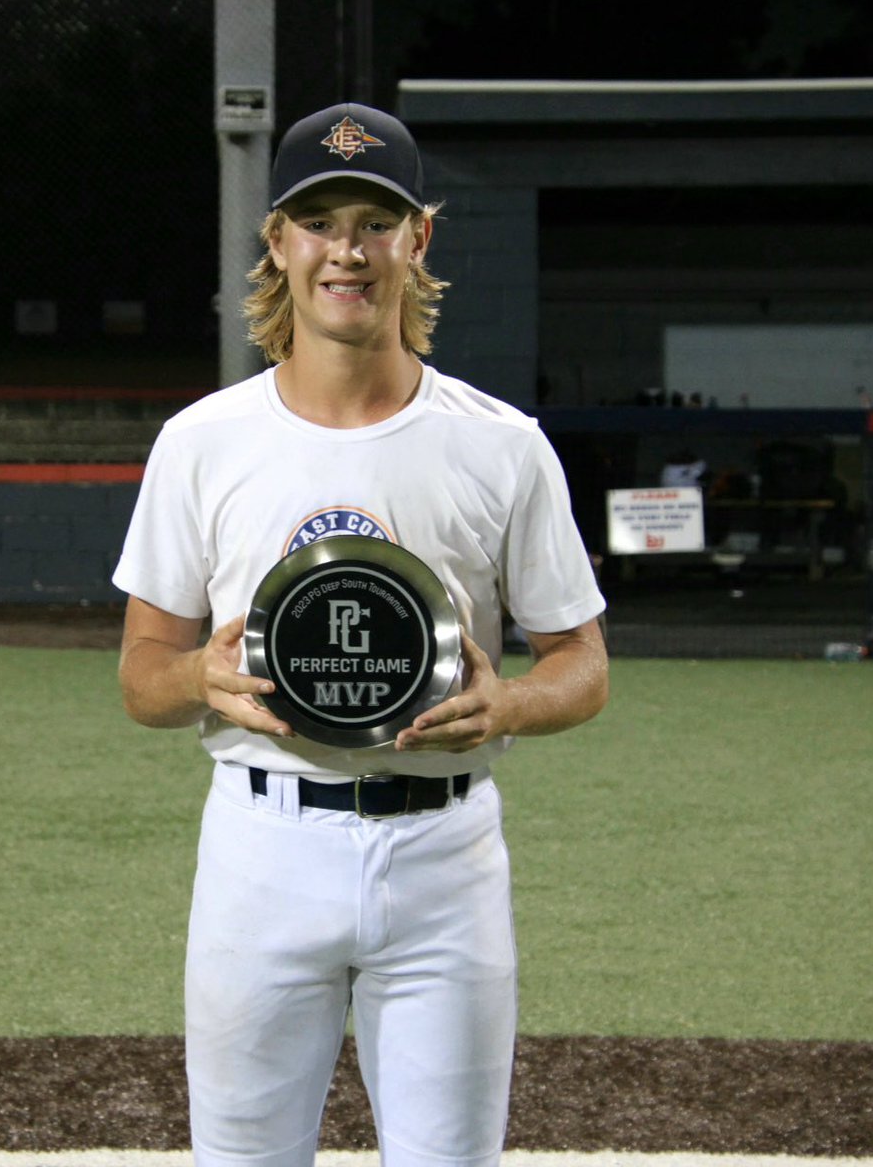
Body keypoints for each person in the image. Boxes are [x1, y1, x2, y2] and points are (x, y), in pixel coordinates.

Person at [113, 101, 608, 1167]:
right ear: (279, 241)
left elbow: (583, 664)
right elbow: (141, 678)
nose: (348, 248)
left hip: (444, 851)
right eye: (321, 221)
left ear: (416, 240)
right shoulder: (201, 442)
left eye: (375, 221)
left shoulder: (502, 446)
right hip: (262, 846)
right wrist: (199, 674)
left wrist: (512, 699)